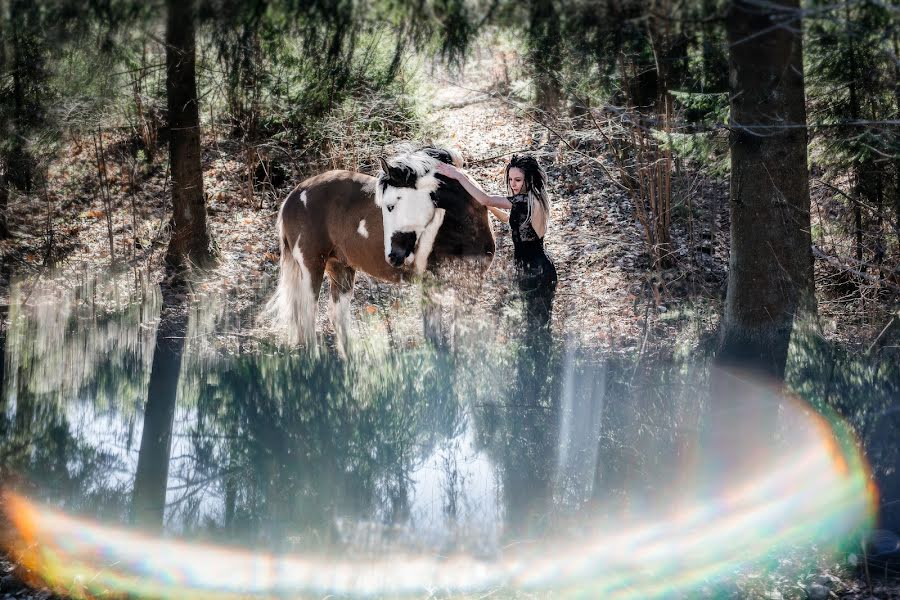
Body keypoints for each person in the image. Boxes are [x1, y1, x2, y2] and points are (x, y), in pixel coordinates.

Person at [436, 155, 557, 328]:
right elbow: (510, 219)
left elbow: (486, 198)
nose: (513, 184)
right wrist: (490, 208)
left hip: (535, 272)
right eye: (510, 179)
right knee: (537, 326)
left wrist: (457, 175)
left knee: (534, 328)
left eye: (518, 180)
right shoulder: (532, 201)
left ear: (529, 179)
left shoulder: (525, 201)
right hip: (537, 268)